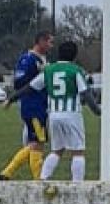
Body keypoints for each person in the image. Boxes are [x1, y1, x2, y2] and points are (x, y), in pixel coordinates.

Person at [7, 40, 100, 181]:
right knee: (78, 152)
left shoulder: (49, 70)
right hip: (71, 114)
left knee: (57, 150)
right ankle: (77, 184)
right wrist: (97, 110)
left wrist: (11, 98)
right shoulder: (75, 70)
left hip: (54, 115)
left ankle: (43, 179)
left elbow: (29, 87)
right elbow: (85, 93)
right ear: (74, 56)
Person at [0, 31, 52, 180]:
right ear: (40, 41)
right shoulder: (28, 59)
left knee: (36, 143)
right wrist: (12, 98)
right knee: (37, 143)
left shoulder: (43, 59)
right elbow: (20, 83)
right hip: (32, 106)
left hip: (40, 106)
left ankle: (9, 174)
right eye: (49, 42)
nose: (51, 46)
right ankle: (21, 175)